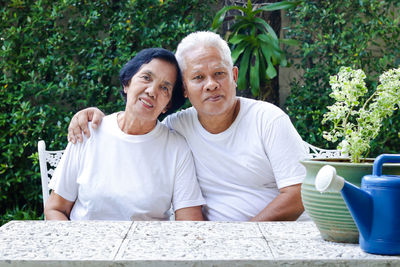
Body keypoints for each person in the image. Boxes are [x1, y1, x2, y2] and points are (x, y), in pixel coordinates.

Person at [67, 31, 308, 221]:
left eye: (219, 74)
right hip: (214, 243)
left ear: (234, 76)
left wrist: (244, 237)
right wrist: (92, 115)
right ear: (184, 88)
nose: (211, 84)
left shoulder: (267, 120)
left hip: (278, 238)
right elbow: (133, 127)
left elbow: (299, 195)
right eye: (198, 78)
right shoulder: (176, 127)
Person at [44, 48, 205, 221]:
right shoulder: (88, 132)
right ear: (127, 83)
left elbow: (189, 224)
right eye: (146, 78)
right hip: (85, 245)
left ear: (167, 105)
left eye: (164, 88)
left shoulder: (176, 148)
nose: (151, 91)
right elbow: (55, 209)